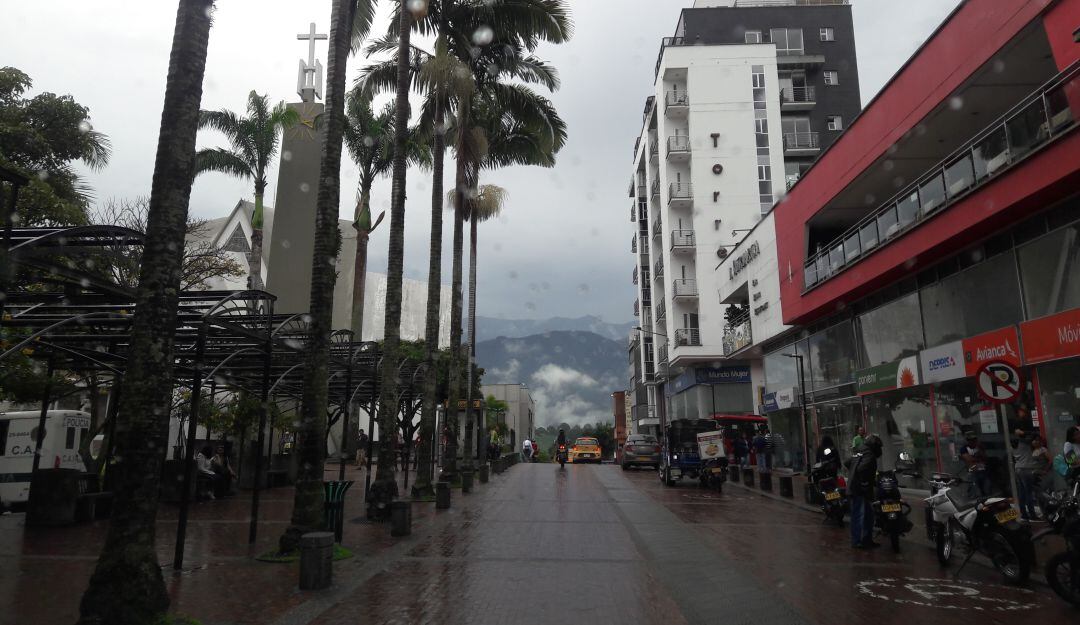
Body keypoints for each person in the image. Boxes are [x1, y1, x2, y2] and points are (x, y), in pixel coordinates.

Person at [849, 434, 882, 549]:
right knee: (860, 514)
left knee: (868, 514)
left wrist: (853, 474)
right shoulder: (869, 455)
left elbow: (848, 462)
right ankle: (857, 541)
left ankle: (866, 539)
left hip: (857, 487)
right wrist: (864, 482)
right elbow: (861, 469)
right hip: (861, 489)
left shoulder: (859, 450)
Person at [1013, 429, 1040, 521]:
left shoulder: (1014, 445)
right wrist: (1023, 432)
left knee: (1022, 492)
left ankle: (1024, 513)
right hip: (1025, 469)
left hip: (1017, 468)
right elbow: (1034, 434)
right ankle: (1032, 514)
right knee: (1028, 492)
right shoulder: (1023, 443)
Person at [961, 432, 992, 497]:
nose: (973, 441)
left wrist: (979, 450)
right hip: (972, 471)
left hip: (983, 471)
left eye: (974, 439)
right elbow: (969, 459)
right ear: (968, 440)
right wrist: (978, 458)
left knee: (987, 490)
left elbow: (985, 457)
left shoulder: (980, 447)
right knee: (975, 492)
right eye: (971, 440)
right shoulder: (964, 448)